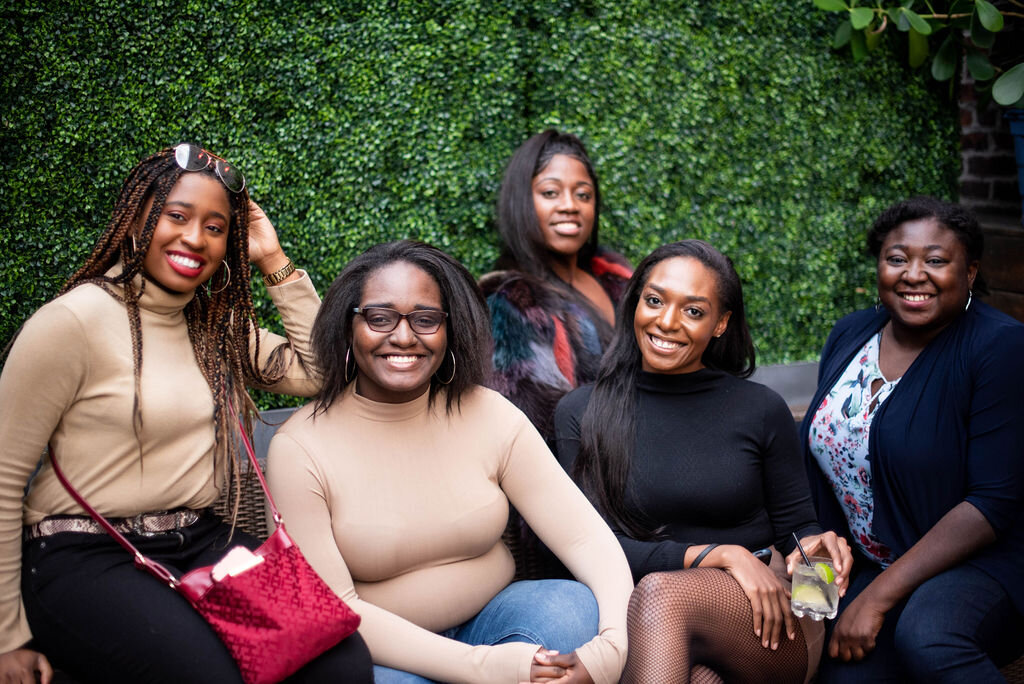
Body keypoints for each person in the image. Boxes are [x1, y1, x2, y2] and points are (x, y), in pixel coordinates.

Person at [0, 144, 372, 683]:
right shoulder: (72, 322)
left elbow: (318, 372)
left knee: (340, 660)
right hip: (84, 554)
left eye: (216, 228)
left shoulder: (213, 327)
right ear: (136, 220)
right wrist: (7, 637)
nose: (195, 238)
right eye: (177, 216)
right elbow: (4, 477)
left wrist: (273, 260)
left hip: (198, 540)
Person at [266, 240, 634, 684]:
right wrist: (484, 669)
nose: (404, 337)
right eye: (380, 318)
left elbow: (585, 538)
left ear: (449, 328)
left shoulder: (489, 413)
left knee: (570, 607)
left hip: (493, 625)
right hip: (382, 658)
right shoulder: (299, 448)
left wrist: (612, 646)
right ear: (349, 327)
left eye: (425, 319)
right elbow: (333, 609)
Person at [556, 240, 853, 683]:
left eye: (693, 311)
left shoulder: (759, 409)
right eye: (655, 301)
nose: (667, 321)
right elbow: (587, 548)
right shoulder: (582, 412)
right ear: (635, 303)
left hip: (768, 622)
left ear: (720, 324)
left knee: (663, 596)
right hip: (643, 621)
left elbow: (800, 532)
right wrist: (718, 556)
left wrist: (821, 560)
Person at [800, 196, 1024, 682]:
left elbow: (992, 504)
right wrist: (813, 593)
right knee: (832, 670)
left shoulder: (1000, 347)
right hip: (873, 562)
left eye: (936, 261)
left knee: (927, 636)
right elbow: (824, 481)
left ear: (969, 272)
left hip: (984, 565)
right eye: (897, 258)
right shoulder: (851, 334)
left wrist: (876, 599)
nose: (913, 274)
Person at [479, 129, 632, 442]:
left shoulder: (617, 279)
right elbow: (532, 430)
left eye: (583, 194)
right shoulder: (510, 302)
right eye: (550, 193)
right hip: (584, 465)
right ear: (522, 202)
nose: (570, 205)